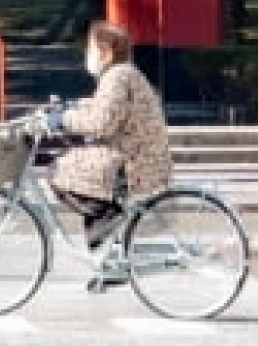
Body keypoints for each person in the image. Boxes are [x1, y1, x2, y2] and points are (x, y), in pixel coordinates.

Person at [40, 21, 172, 255]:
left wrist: (63, 120)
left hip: (133, 163)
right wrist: (72, 107)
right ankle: (107, 250)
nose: (88, 55)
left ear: (107, 53)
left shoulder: (117, 78)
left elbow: (101, 124)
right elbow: (105, 107)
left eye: (91, 49)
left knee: (58, 171)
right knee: (80, 173)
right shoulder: (122, 74)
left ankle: (109, 231)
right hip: (139, 155)